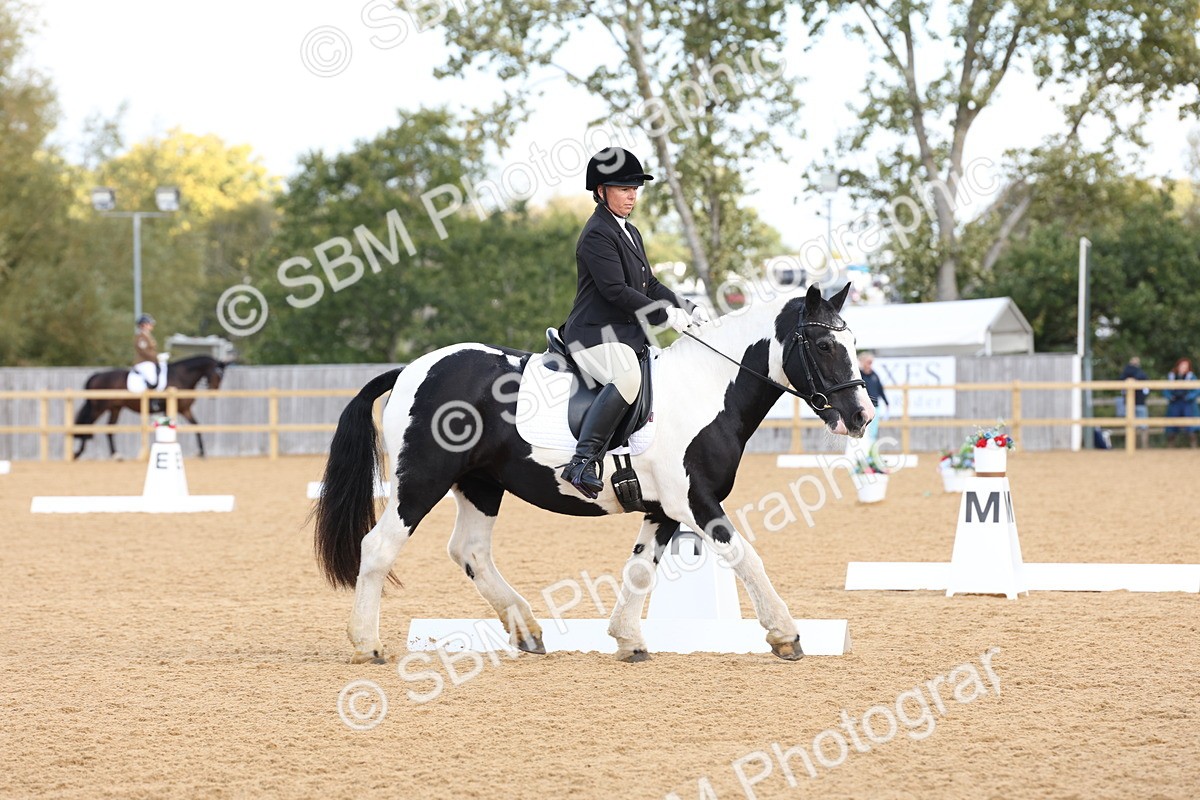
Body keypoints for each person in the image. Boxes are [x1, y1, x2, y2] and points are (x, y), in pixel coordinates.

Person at [558, 148, 707, 498]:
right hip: (592, 335)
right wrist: (665, 316)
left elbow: (650, 284)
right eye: (623, 188)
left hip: (624, 335)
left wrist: (687, 305)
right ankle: (582, 460)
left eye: (634, 188)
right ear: (600, 191)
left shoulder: (630, 231)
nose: (631, 195)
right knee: (627, 377)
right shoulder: (597, 233)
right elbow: (614, 290)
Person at [1164, 357, 1199, 448]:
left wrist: (1189, 397)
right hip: (1175, 402)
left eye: (1185, 366)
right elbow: (1165, 389)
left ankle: (1193, 446)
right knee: (1172, 424)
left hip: (1187, 403)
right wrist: (1170, 397)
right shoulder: (1172, 376)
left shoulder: (1191, 377)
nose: (1183, 368)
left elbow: (1197, 390)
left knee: (1190, 425)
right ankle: (1170, 446)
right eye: (1182, 366)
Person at [1117, 356, 1150, 449]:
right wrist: (1143, 397)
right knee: (1143, 427)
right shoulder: (1142, 374)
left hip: (1130, 404)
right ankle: (1143, 447)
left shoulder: (1124, 374)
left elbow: (1121, 389)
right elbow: (1147, 389)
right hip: (1140, 403)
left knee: (1131, 427)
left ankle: (1133, 447)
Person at [132, 314, 168, 392]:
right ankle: (151, 395)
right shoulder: (141, 337)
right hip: (143, 362)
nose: (151, 326)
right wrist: (157, 357)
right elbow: (144, 351)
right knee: (152, 379)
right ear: (144, 325)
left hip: (150, 361)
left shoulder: (148, 336)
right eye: (149, 324)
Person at [858, 352, 888, 442]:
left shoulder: (874, 375)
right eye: (868, 362)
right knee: (862, 431)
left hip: (875, 407)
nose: (870, 364)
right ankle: (861, 452)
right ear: (862, 362)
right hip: (862, 408)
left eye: (871, 362)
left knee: (873, 432)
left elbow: (880, 389)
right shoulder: (859, 375)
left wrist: (887, 402)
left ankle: (871, 454)